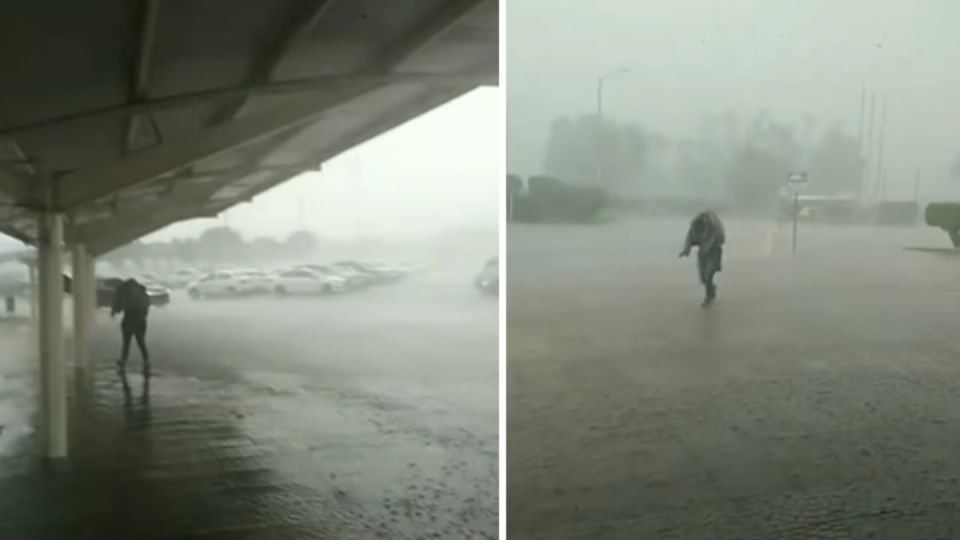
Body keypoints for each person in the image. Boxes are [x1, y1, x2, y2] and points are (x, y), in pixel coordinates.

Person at [679, 210, 725, 305]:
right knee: (703, 278)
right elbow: (689, 237)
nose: (699, 235)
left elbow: (715, 239)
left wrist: (704, 248)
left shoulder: (713, 226)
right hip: (702, 252)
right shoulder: (694, 225)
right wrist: (686, 249)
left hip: (714, 250)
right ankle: (711, 288)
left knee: (709, 273)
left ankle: (709, 297)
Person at [111, 278, 151, 371]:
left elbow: (119, 306)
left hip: (128, 320)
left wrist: (114, 310)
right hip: (140, 320)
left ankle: (123, 361)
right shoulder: (141, 292)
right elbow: (147, 304)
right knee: (141, 342)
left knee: (126, 343)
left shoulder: (125, 293)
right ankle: (146, 362)